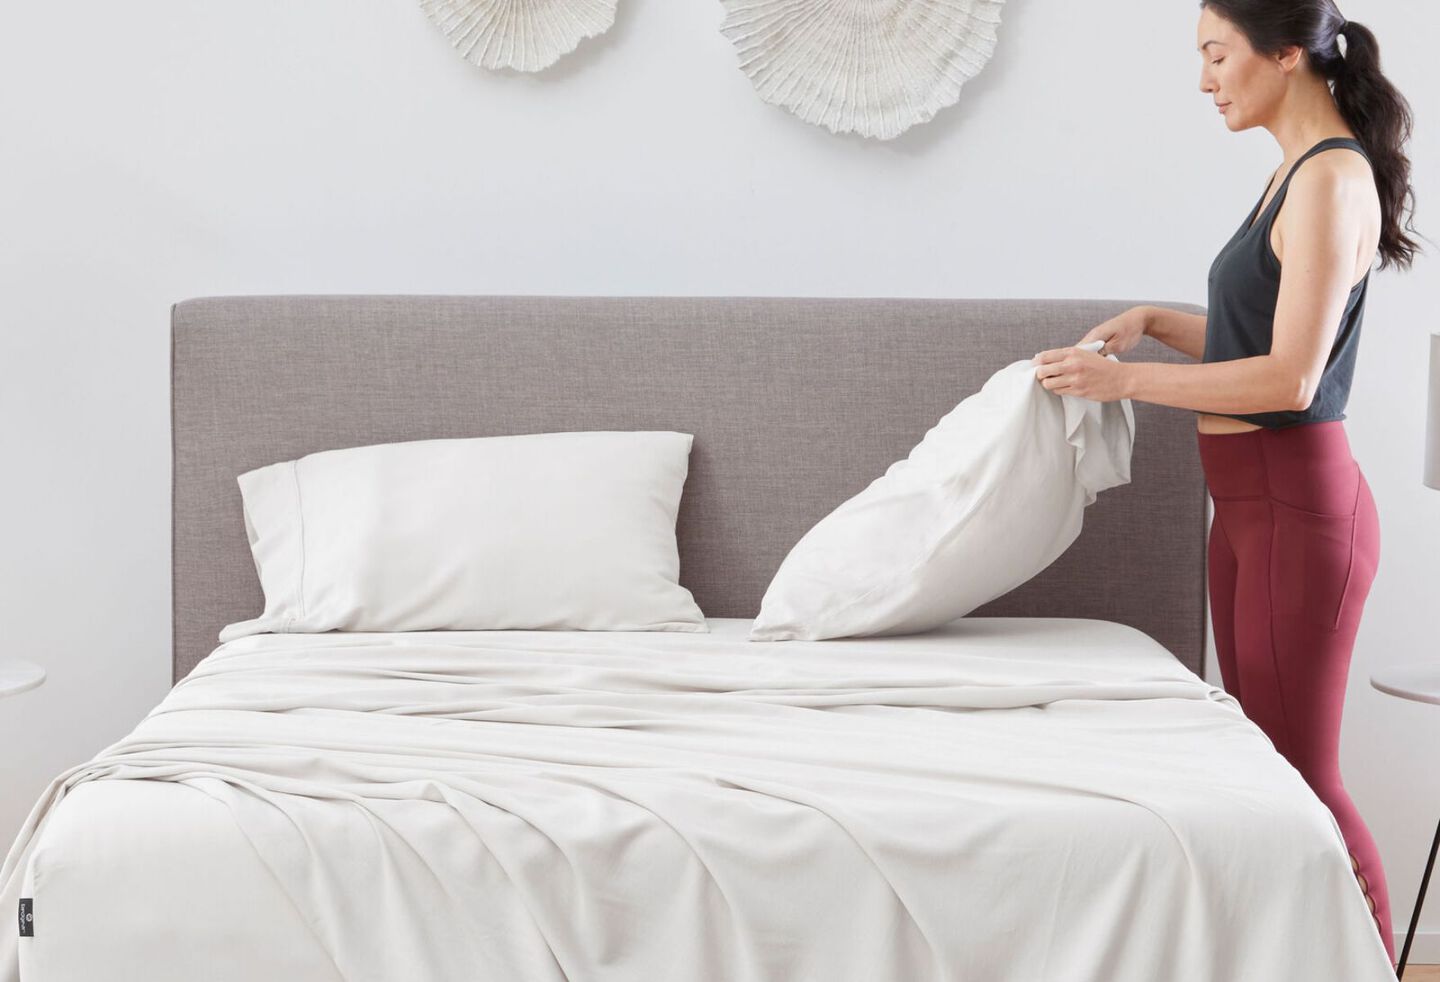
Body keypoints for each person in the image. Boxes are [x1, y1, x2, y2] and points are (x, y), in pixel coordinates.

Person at [1030, 1, 1427, 968]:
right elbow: (1267, 339)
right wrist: (1161, 322)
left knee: (1306, 780)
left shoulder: (1332, 181)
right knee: (1265, 775)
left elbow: (1290, 379)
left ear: (1286, 54)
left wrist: (1126, 381)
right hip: (1249, 506)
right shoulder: (1291, 176)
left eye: (1217, 54)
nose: (1204, 79)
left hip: (1296, 506)